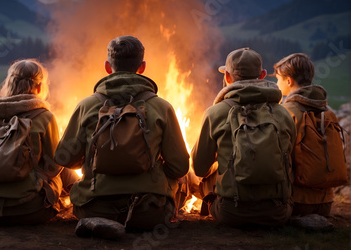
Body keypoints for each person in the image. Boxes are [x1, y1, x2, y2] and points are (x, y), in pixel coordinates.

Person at [54, 35, 189, 233]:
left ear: (108, 67)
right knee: (183, 180)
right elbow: (180, 167)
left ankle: (104, 220)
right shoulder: (162, 107)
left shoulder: (86, 105)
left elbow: (64, 158)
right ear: (142, 67)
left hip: (94, 209)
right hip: (150, 212)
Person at [192, 48, 296, 227]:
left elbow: (199, 168)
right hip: (278, 212)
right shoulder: (283, 113)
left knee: (200, 179)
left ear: (227, 77)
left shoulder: (215, 113)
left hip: (230, 212)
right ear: (262, 75)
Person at [0, 59, 78, 226]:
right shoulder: (44, 117)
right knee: (62, 170)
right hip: (31, 211)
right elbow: (53, 167)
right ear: (39, 87)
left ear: (9, 83)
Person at [273, 53, 335, 216]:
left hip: (296, 203)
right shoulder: (327, 112)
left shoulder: (286, 113)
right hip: (326, 203)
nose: (276, 83)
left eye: (278, 78)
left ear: (288, 81)